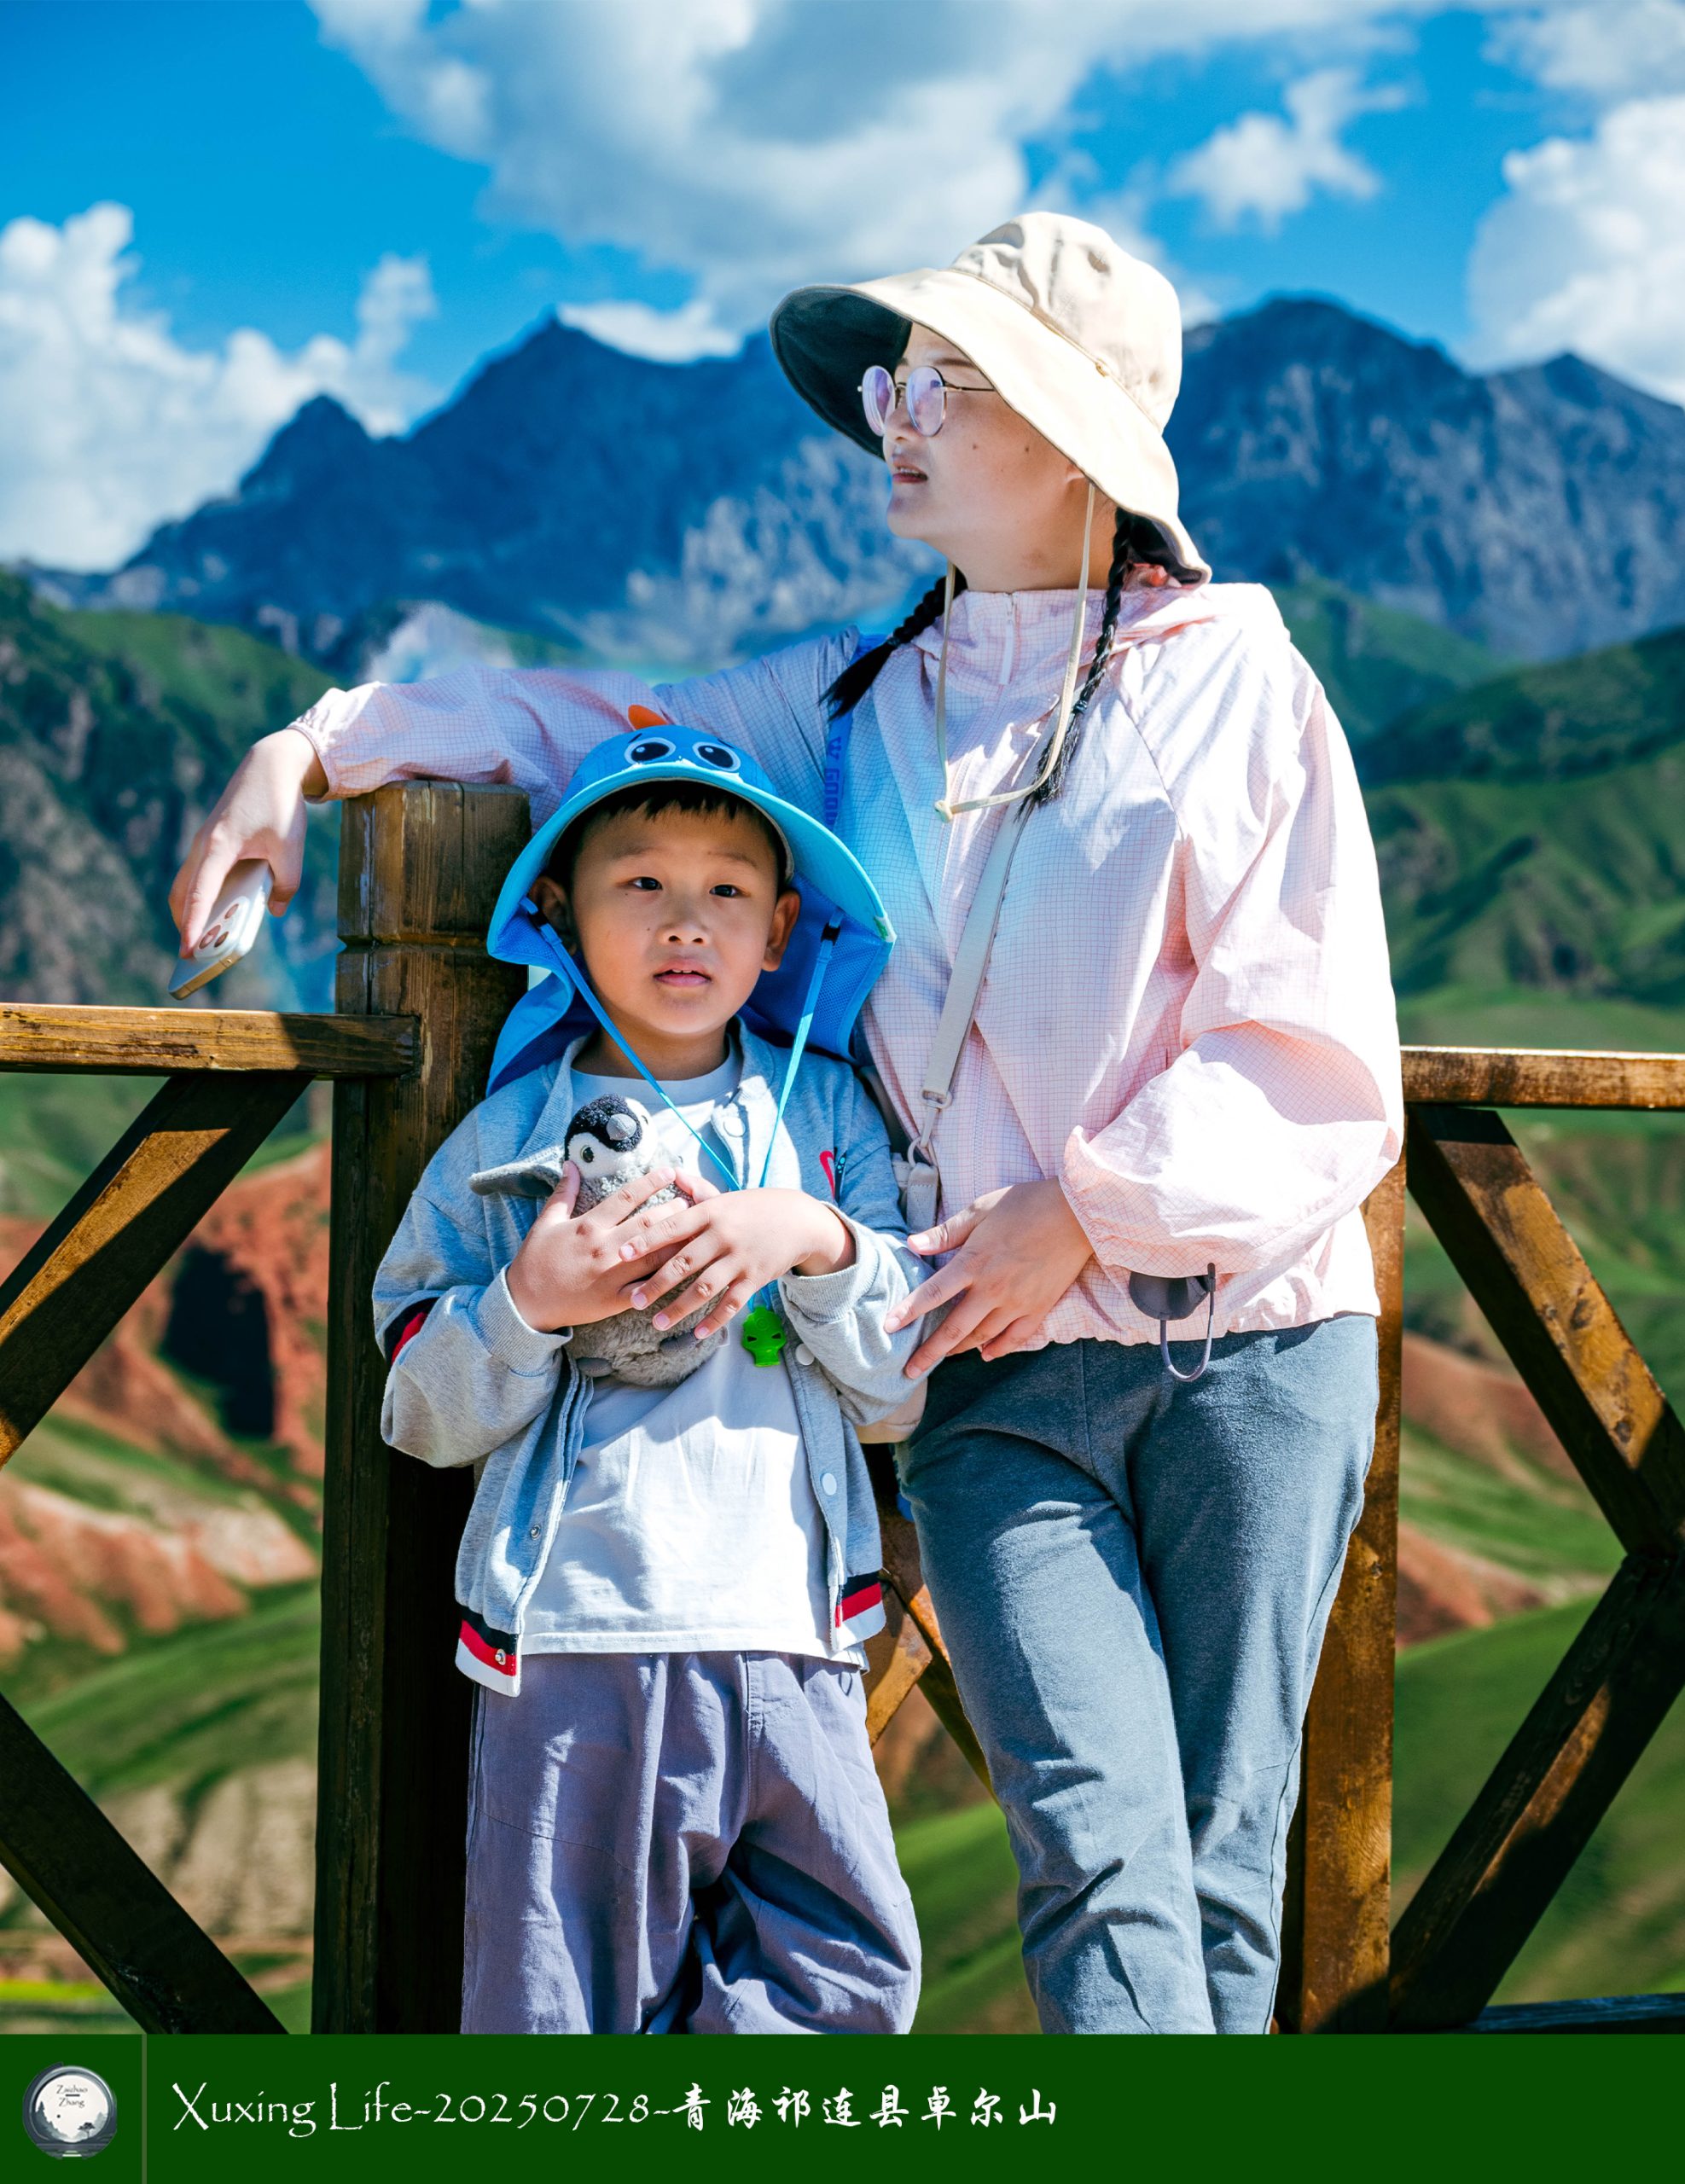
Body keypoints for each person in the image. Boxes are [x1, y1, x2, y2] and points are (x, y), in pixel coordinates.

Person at [173, 212, 1405, 2036]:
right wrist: (313, 742)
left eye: (943, 383)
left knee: (1223, 1853)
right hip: (971, 1359)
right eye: (891, 380)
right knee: (1093, 1829)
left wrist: (1083, 1205)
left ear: (1076, 439)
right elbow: (575, 722)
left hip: (1257, 1344)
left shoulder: (1240, 684)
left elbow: (1310, 1035)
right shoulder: (850, 701)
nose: (890, 415)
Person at [372, 724, 925, 2033]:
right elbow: (417, 1408)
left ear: (783, 929)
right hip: (576, 1640)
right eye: (641, 885)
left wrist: (811, 1237)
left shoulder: (828, 1124)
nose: (688, 925)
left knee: (847, 1981)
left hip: (796, 1637)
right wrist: (530, 1305)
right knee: (567, 2001)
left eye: (727, 891)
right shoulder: (507, 1139)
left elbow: (903, 1384)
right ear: (558, 911)